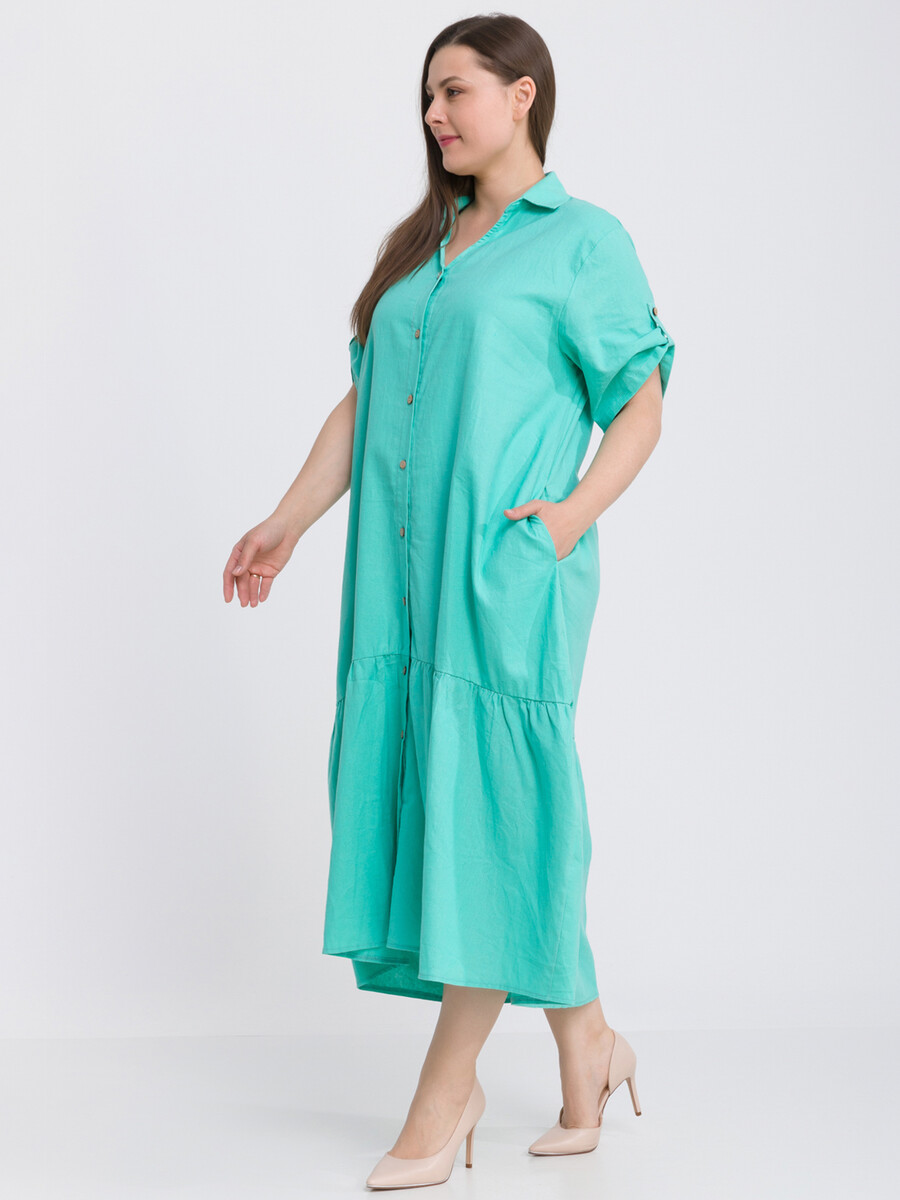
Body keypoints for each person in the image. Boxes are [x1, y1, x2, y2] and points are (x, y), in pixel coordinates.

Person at [223, 13, 674, 1191]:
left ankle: (446, 1092)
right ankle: (592, 1047)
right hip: (400, 584)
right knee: (485, 808)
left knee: (494, 806)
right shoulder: (423, 248)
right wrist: (285, 521)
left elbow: (641, 399)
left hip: (505, 571)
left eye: (456, 89)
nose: (434, 113)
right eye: (427, 94)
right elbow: (367, 402)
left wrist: (568, 519)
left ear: (523, 95)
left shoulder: (583, 241)